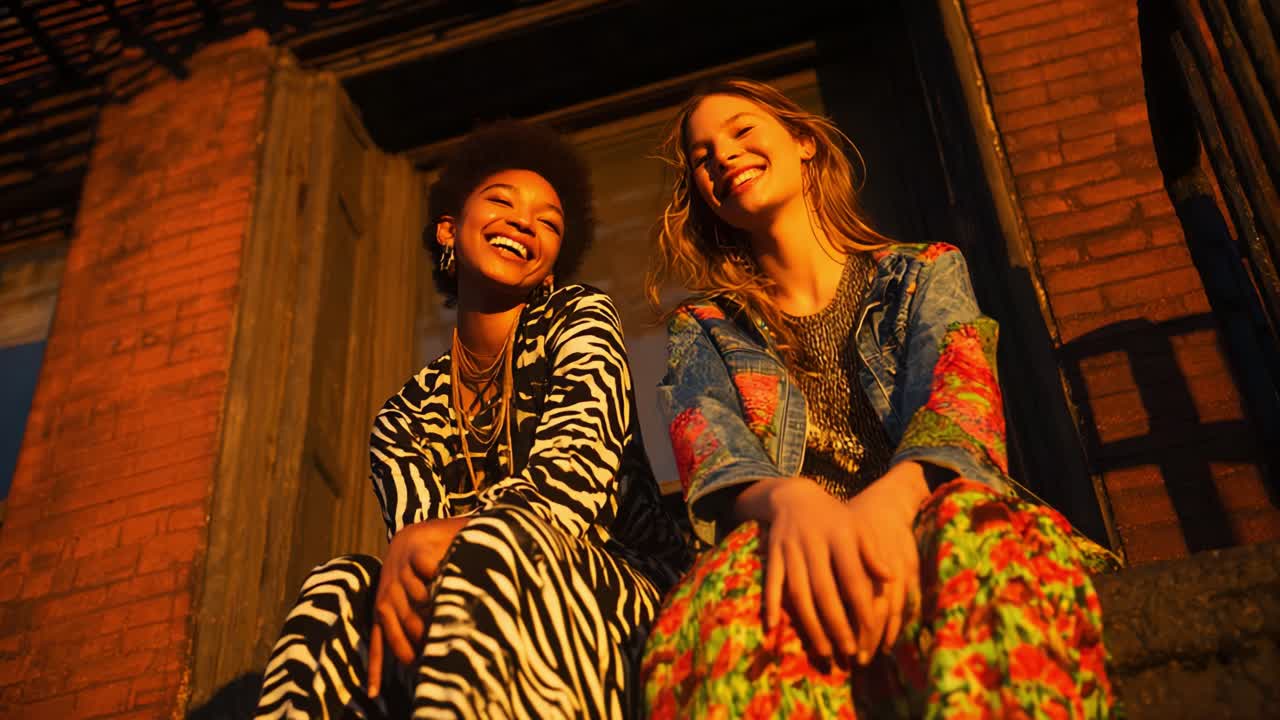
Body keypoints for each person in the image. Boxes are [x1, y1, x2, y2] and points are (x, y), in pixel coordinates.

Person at [640, 77, 1122, 719]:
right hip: (794, 544)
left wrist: (892, 502)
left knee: (971, 536)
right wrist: (792, 501)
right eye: (702, 157)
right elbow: (714, 452)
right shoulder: (704, 326)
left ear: (804, 141)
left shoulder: (923, 271)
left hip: (924, 510)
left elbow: (960, 400)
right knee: (721, 605)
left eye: (741, 131)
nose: (721, 156)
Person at [253, 119, 688, 719]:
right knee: (338, 586)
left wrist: (470, 534)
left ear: (553, 264)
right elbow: (418, 548)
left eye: (548, 222)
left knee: (495, 536)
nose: (523, 221)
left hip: (620, 592)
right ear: (449, 231)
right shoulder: (403, 417)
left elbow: (574, 478)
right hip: (477, 600)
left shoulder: (578, 319)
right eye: (502, 202)